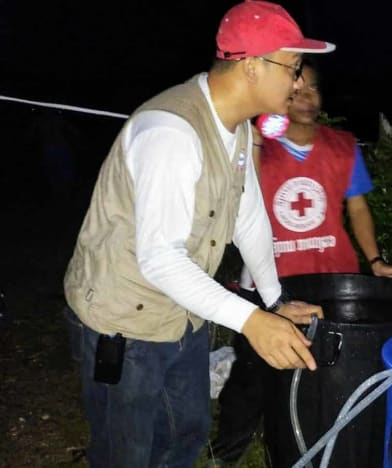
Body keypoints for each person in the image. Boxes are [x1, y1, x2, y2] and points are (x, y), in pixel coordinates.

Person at [62, 2, 333, 466]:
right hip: (123, 321)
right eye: (291, 68)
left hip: (183, 313)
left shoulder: (240, 130)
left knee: (186, 432)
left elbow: (248, 217)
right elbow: (160, 259)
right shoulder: (170, 133)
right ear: (251, 66)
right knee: (127, 452)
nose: (298, 83)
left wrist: (273, 302)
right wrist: (250, 322)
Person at [209, 60, 392, 465]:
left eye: (313, 90)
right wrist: (265, 131)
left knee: (323, 368)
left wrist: (375, 261)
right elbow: (243, 195)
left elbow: (358, 209)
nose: (305, 98)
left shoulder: (342, 145)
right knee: (253, 372)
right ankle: (226, 451)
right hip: (270, 281)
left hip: (332, 279)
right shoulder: (257, 142)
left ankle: (312, 444)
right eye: (295, 90)